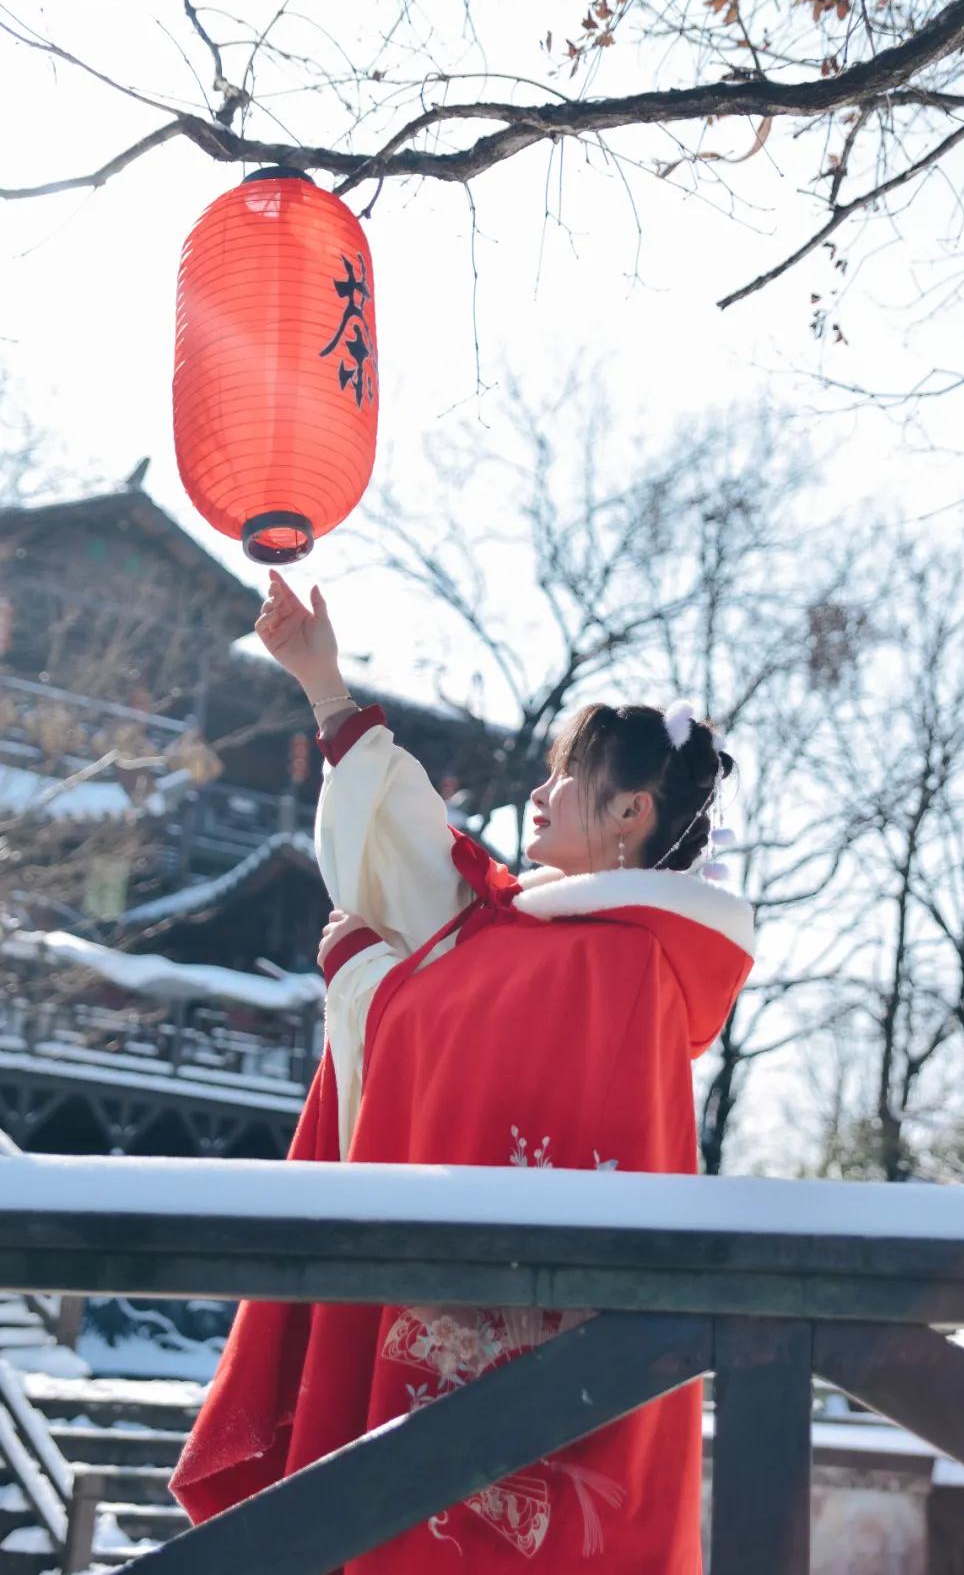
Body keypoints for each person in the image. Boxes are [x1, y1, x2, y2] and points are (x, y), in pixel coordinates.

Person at [171, 571, 755, 1573]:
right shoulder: (543, 937)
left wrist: (366, 978)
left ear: (630, 815)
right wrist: (324, 684)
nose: (538, 791)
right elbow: (424, 868)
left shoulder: (615, 963)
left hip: (538, 1376)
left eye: (569, 775)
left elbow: (446, 1010)